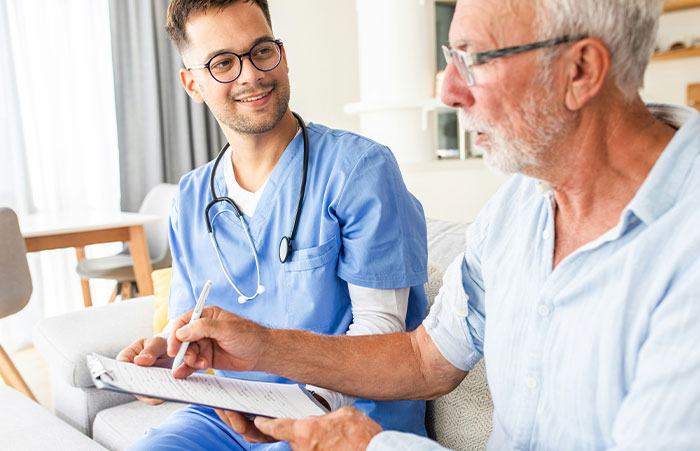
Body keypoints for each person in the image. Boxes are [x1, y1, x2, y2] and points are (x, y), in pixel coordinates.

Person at [164, 0, 700, 449]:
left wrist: (372, 445)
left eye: (474, 60)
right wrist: (263, 346)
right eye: (450, 58)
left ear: (580, 71)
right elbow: (425, 357)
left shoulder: (684, 246)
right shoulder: (516, 210)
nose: (448, 92)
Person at [116, 0, 430, 449]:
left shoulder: (359, 170)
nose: (250, 74)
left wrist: (289, 409)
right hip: (226, 417)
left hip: (341, 416)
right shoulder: (189, 198)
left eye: (262, 51)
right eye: (223, 62)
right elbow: (189, 327)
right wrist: (164, 362)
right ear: (193, 84)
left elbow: (383, 331)